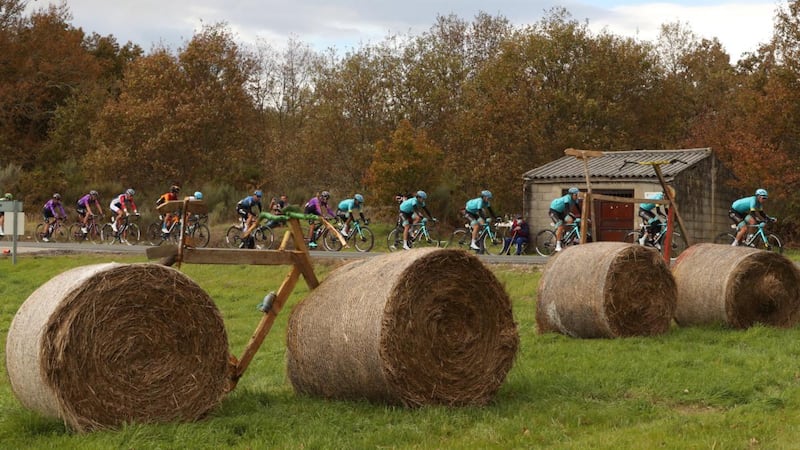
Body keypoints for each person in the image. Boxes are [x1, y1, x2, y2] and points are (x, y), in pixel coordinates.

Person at [549, 187, 581, 252]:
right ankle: (557, 246)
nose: (577, 196)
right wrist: (571, 217)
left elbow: (579, 210)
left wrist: (583, 217)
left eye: (577, 194)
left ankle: (565, 235)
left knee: (571, 221)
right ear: (571, 195)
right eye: (576, 195)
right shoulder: (567, 199)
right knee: (561, 225)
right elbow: (567, 211)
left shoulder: (575, 200)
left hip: (561, 212)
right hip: (554, 210)